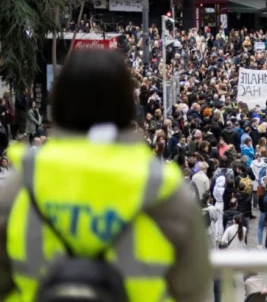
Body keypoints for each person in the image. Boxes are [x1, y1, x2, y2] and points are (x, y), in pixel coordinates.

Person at [0, 49, 211, 301]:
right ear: (127, 106)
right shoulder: (167, 194)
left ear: (57, 104)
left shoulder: (17, 188)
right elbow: (194, 291)